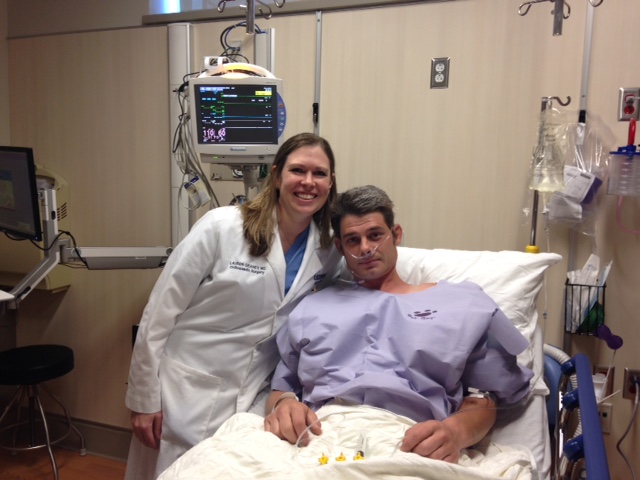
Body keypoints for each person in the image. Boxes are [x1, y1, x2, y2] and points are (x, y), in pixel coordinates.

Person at [124, 133, 342, 480]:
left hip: (254, 395)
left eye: (320, 174)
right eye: (298, 170)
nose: (308, 182)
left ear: (331, 184)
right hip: (184, 392)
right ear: (276, 176)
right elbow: (159, 313)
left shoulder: (329, 252)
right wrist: (143, 397)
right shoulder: (222, 226)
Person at [263, 185, 534, 464]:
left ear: (396, 235)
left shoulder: (461, 304)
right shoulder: (312, 307)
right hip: (317, 436)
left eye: (375, 235)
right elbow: (281, 389)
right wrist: (284, 406)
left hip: (410, 439)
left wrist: (455, 433)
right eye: (353, 240)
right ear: (340, 248)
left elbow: (483, 399)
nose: (366, 248)